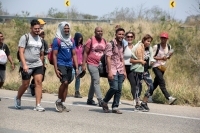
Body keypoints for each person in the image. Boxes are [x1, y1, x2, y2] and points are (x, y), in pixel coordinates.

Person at [14, 19, 45, 111]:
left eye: (38, 28)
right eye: (35, 28)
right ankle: (18, 98)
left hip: (37, 64)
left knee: (38, 83)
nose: (37, 30)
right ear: (31, 28)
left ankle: (38, 105)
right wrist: (24, 65)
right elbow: (21, 52)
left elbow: (42, 54)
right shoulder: (25, 37)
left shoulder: (41, 40)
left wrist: (41, 65)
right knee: (25, 84)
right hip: (27, 64)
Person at [53, 22, 79, 112]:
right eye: (65, 28)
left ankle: (62, 104)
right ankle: (58, 101)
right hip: (61, 63)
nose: (67, 30)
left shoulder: (71, 40)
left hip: (69, 64)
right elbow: (54, 55)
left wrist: (76, 68)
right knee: (64, 82)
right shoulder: (57, 40)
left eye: (68, 28)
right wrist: (56, 69)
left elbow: (74, 54)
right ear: (61, 29)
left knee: (66, 84)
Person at [100, 28, 127, 114]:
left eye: (122, 34)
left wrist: (124, 71)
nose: (121, 36)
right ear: (115, 34)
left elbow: (122, 58)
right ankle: (104, 101)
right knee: (114, 87)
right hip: (113, 69)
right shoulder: (110, 44)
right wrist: (110, 71)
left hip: (120, 69)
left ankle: (115, 107)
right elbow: (108, 58)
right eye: (119, 34)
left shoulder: (122, 44)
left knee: (119, 89)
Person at [130, 34, 155, 112]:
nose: (149, 43)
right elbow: (131, 60)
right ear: (143, 40)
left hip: (146, 70)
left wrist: (151, 62)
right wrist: (140, 61)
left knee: (151, 87)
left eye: (150, 41)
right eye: (147, 41)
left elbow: (151, 58)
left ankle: (144, 102)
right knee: (138, 88)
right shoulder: (138, 48)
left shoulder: (149, 49)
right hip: (138, 70)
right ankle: (137, 105)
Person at [82, 27, 107, 106]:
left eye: (101, 31)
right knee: (96, 81)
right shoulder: (90, 40)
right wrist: (83, 64)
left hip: (100, 64)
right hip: (91, 64)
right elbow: (85, 53)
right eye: (98, 31)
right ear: (95, 32)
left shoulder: (104, 41)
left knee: (94, 82)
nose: (100, 32)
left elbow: (105, 52)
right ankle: (100, 101)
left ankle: (89, 99)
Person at [150, 32, 176, 105]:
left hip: (162, 67)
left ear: (167, 39)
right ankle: (169, 98)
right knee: (161, 81)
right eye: (162, 38)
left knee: (156, 83)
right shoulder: (156, 47)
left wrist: (169, 56)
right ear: (160, 38)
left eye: (165, 38)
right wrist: (162, 58)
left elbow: (168, 58)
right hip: (155, 66)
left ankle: (148, 95)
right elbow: (152, 57)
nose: (163, 39)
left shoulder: (169, 46)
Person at [29, 30, 49, 96]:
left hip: (41, 62)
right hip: (33, 61)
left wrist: (47, 52)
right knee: (36, 77)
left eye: (43, 34)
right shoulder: (35, 41)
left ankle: (33, 85)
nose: (43, 35)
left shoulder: (44, 42)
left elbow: (46, 51)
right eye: (41, 34)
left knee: (41, 78)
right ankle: (36, 89)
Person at [123, 31, 137, 105]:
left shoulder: (135, 47)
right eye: (128, 36)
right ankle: (117, 98)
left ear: (134, 38)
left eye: (131, 36)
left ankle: (135, 99)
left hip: (131, 67)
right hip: (123, 66)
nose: (129, 38)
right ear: (125, 38)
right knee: (119, 84)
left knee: (133, 83)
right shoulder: (123, 46)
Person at [72, 32, 84, 98]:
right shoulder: (73, 46)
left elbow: (83, 55)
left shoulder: (82, 46)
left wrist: (83, 62)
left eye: (81, 38)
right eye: (79, 38)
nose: (80, 39)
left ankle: (77, 91)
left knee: (78, 78)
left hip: (79, 64)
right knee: (71, 76)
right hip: (72, 64)